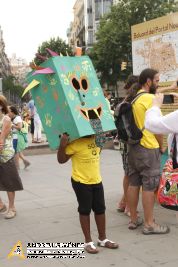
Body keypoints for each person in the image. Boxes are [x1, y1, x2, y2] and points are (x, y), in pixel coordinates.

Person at [57, 134, 118, 254]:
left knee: (100, 209)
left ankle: (102, 239)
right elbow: (61, 160)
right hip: (81, 181)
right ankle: (88, 242)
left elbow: (97, 152)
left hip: (96, 180)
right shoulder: (75, 143)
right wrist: (62, 145)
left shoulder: (98, 139)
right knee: (85, 210)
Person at [127, 68, 170, 234]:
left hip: (134, 147)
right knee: (149, 186)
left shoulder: (134, 97)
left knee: (133, 183)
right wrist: (161, 145)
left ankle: (133, 220)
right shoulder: (151, 99)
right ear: (148, 82)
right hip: (148, 146)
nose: (158, 84)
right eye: (157, 81)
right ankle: (149, 223)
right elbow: (157, 127)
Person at [116, 75, 139, 216]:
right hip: (129, 143)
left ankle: (123, 203)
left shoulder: (125, 100)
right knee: (129, 175)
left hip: (123, 142)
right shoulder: (132, 100)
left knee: (128, 174)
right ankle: (128, 207)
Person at [0, 95, 23, 219]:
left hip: (5, 155)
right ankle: (1, 205)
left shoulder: (6, 120)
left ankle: (12, 207)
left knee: (9, 183)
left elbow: (1, 140)